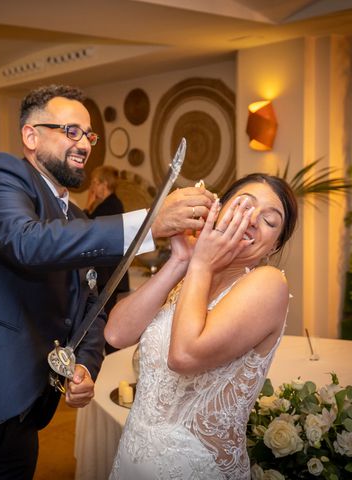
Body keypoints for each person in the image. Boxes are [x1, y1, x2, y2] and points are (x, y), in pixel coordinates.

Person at [0, 84, 215, 479]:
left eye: (89, 134)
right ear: (31, 136)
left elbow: (93, 308)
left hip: (24, 412)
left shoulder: (83, 224)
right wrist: (149, 223)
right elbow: (27, 243)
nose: (84, 143)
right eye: (71, 131)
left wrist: (84, 366)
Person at [105, 174, 298, 479]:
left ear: (273, 246)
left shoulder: (268, 284)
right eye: (244, 205)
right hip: (133, 455)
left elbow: (183, 356)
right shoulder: (192, 273)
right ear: (218, 209)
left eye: (270, 221)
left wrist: (201, 264)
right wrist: (181, 259)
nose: (251, 219)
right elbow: (116, 333)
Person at [84, 165, 130, 353]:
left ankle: (110, 362)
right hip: (107, 274)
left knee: (105, 319)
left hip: (107, 275)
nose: (92, 188)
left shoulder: (110, 206)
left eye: (95, 183)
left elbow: (86, 230)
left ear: (104, 184)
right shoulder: (108, 205)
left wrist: (87, 206)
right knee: (105, 317)